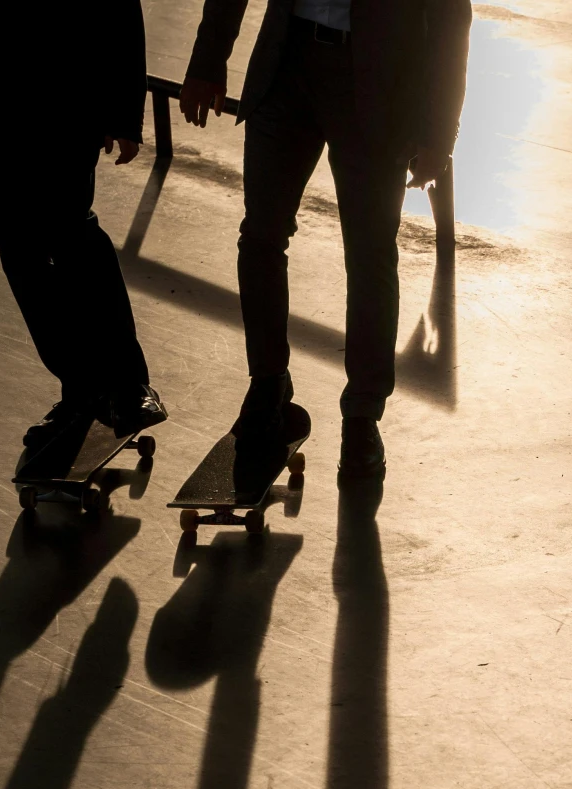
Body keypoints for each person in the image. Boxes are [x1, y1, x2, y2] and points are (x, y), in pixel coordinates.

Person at [180, 0, 469, 483]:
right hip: (287, 61)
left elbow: (450, 14)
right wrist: (208, 61)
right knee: (260, 236)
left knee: (371, 251)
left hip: (378, 81)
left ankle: (362, 414)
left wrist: (439, 130)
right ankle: (268, 384)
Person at [0, 0, 167, 466]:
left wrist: (123, 110)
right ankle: (80, 389)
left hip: (69, 90)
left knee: (70, 232)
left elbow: (119, 9)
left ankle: (127, 382)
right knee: (21, 251)